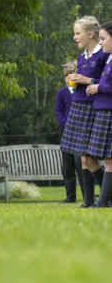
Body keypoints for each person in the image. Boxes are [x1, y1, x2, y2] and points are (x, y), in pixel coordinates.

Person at [61, 15, 108, 207]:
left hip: (94, 109)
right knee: (83, 159)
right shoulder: (82, 57)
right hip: (78, 107)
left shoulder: (104, 55)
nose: (75, 37)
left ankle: (106, 197)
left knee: (87, 158)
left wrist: (87, 80)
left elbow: (106, 83)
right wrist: (72, 82)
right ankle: (89, 201)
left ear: (90, 34)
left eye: (77, 33)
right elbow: (82, 81)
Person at [85, 21, 112, 207]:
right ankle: (104, 201)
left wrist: (98, 87)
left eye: (103, 38)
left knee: (110, 160)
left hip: (109, 112)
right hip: (103, 110)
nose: (100, 43)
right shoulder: (109, 59)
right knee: (107, 159)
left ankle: (102, 203)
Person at [56, 61, 84, 203]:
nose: (69, 78)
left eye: (72, 75)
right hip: (66, 133)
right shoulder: (61, 93)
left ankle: (87, 196)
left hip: (80, 133)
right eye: (67, 75)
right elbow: (59, 112)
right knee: (67, 166)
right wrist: (66, 126)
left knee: (80, 163)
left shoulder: (83, 92)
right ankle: (70, 196)